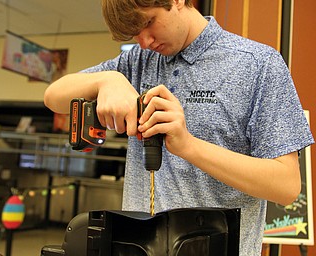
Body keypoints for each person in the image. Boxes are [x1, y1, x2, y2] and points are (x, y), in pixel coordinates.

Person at [44, 0, 314, 255]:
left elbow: (286, 186)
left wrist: (189, 146)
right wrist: (108, 80)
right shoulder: (137, 62)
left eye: (149, 22)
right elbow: (54, 96)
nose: (145, 42)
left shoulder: (258, 64)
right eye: (134, 35)